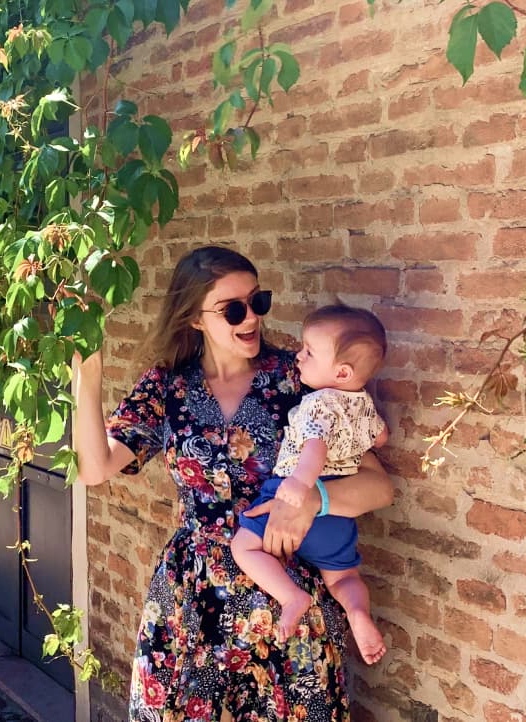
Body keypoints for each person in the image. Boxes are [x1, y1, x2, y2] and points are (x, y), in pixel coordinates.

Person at [73, 246, 394, 721]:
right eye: (233, 309)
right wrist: (88, 376)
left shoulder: (298, 379)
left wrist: (311, 501)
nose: (251, 319)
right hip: (191, 597)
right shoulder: (167, 386)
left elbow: (379, 486)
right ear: (195, 318)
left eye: (257, 301)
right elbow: (95, 468)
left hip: (285, 593)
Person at [231, 304, 390, 666]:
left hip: (292, 491)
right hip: (337, 515)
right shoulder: (363, 404)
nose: (299, 355)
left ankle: (291, 598)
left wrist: (300, 485)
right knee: (344, 578)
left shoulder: (317, 402)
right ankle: (357, 611)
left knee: (244, 549)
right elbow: (380, 438)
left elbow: (314, 446)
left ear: (341, 371)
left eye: (308, 351)